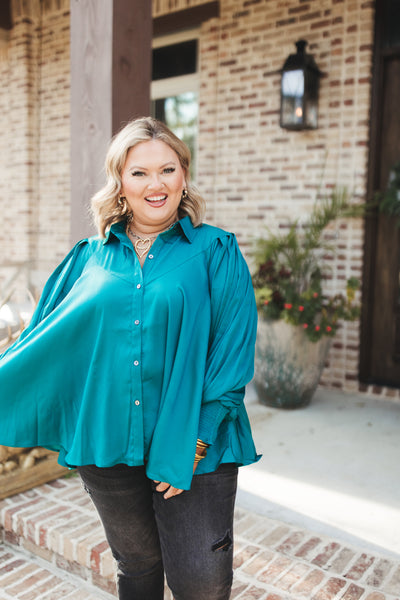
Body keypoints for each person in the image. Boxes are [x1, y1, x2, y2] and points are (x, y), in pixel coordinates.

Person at [0, 117, 260, 600]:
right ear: (120, 181)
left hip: (195, 446)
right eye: (139, 172)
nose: (155, 184)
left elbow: (231, 355)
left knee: (201, 584)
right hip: (109, 445)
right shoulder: (87, 258)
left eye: (167, 169)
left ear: (184, 175)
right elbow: (41, 341)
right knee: (137, 569)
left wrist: (194, 444)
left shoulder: (215, 251)